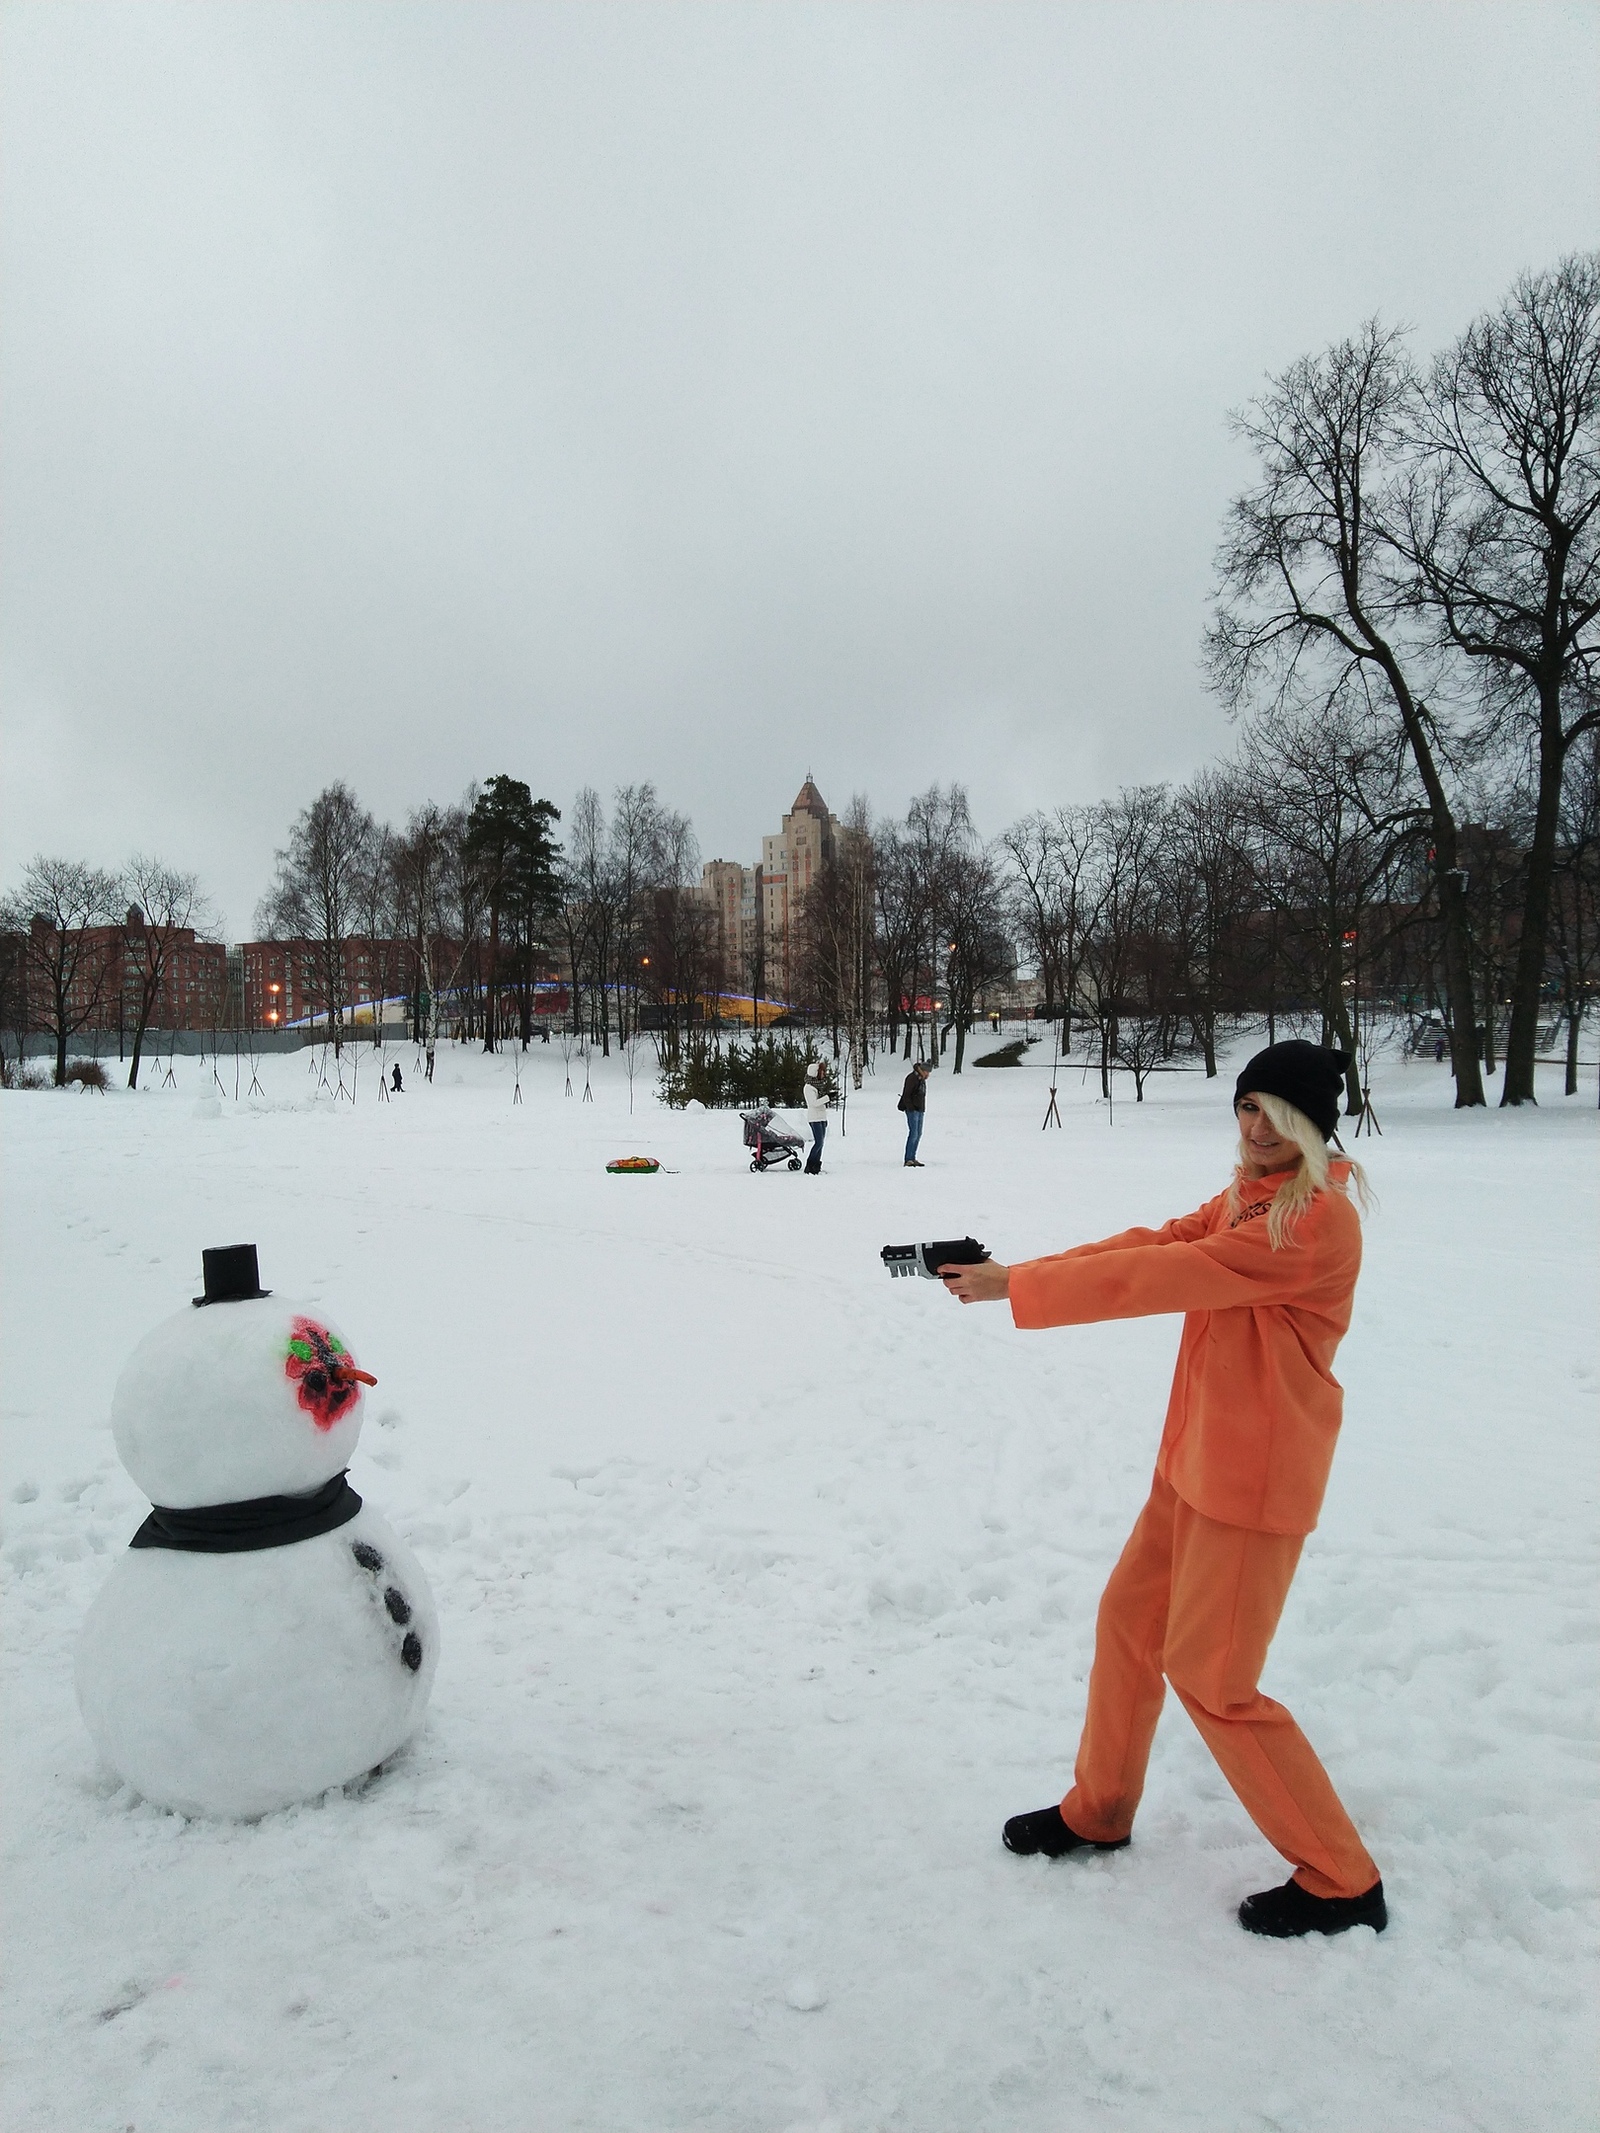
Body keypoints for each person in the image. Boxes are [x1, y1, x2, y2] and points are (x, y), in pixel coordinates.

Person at [939, 1040, 1386, 1940]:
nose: (1254, 1127)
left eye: (1273, 1112)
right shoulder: (1249, 1196)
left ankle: (1342, 1877)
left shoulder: (1314, 1219)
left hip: (1253, 1480)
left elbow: (1165, 1277)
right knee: (1129, 1625)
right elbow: (1156, 1242)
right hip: (1195, 1462)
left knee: (1216, 1678)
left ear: (1311, 1122)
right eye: (1245, 1106)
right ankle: (1098, 1809)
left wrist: (1015, 1288)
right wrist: (1018, 1270)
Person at [899, 1060, 930, 1166]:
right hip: (913, 1110)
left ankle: (913, 1157)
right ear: (923, 1070)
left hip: (920, 1109)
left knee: (918, 1134)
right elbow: (906, 1094)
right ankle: (908, 1158)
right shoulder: (912, 1078)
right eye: (927, 1072)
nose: (928, 1075)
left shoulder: (921, 1079)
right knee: (913, 1134)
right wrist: (911, 1108)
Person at [803, 1060, 830, 1174]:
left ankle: (816, 1166)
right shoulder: (808, 1088)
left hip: (821, 1117)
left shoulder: (818, 1086)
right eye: (821, 1072)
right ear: (815, 1073)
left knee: (821, 1143)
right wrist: (827, 1098)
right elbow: (813, 1103)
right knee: (818, 1142)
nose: (823, 1074)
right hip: (814, 1118)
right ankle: (810, 1165)